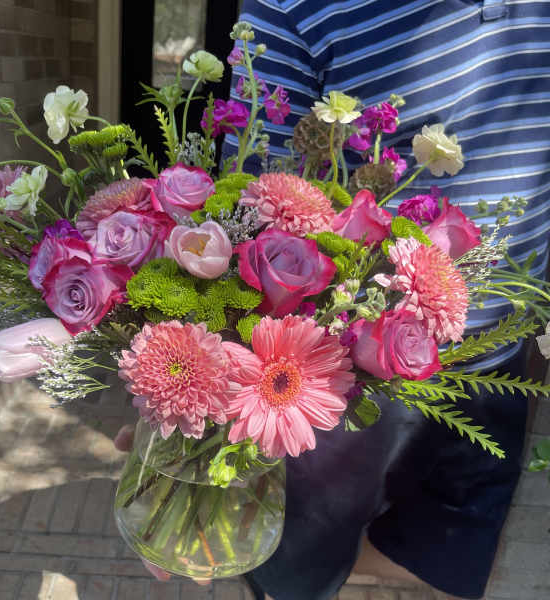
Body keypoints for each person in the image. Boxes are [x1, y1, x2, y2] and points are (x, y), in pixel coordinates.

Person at [217, 1, 550, 599]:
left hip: (497, 359)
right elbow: (254, 206)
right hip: (347, 381)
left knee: (450, 555)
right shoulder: (288, 8)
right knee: (289, 565)